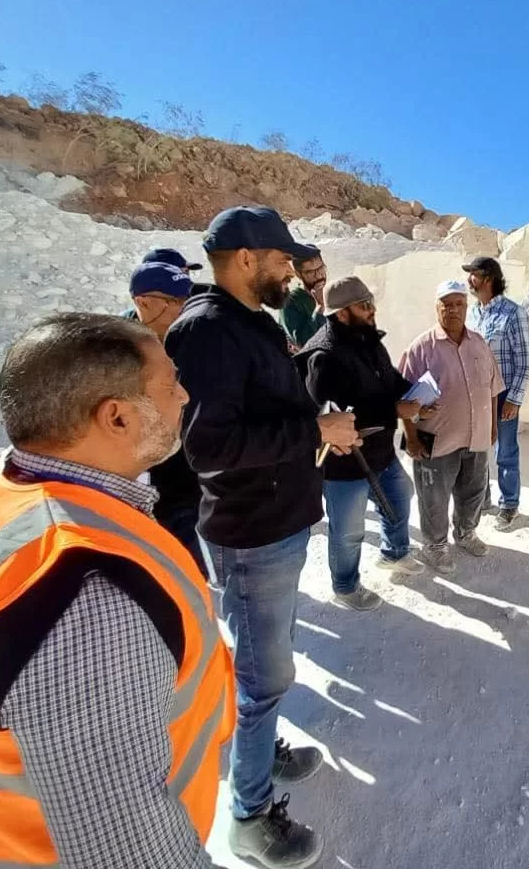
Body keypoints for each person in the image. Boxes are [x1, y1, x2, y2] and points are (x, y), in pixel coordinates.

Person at [0, 313, 236, 869]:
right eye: (170, 382)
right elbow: (129, 854)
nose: (184, 395)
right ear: (117, 416)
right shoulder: (85, 594)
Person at [166, 206, 359, 869]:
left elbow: (264, 410)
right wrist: (314, 432)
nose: (291, 273)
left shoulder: (248, 321)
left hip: (275, 525)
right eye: (282, 261)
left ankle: (260, 748)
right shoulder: (207, 331)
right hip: (251, 536)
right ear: (246, 259)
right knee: (263, 676)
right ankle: (249, 818)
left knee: (262, 665)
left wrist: (316, 424)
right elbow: (208, 447)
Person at [297, 276, 429, 612]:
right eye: (364, 305)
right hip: (344, 464)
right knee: (348, 531)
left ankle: (394, 554)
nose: (372, 311)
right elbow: (332, 416)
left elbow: (390, 378)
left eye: (371, 303)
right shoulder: (323, 357)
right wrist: (395, 410)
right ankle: (345, 586)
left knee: (399, 498)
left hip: (381, 452)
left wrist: (415, 395)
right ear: (341, 313)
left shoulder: (367, 339)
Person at [400, 280, 504, 573]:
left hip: (477, 435)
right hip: (437, 440)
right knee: (434, 497)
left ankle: (465, 533)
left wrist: (493, 426)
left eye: (459, 304)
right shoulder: (420, 349)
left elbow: (493, 388)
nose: (453, 310)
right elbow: (403, 401)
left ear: (466, 307)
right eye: (447, 305)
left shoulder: (479, 344)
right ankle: (434, 545)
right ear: (437, 308)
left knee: (474, 491)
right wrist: (411, 439)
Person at [127, 262, 206, 572]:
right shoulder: (118, 353)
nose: (183, 307)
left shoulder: (193, 339)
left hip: (192, 476)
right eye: (173, 300)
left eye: (186, 298)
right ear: (142, 302)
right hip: (145, 482)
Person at [464, 255, 529, 530]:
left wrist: (514, 399)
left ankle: (509, 504)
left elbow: (524, 361)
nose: (469, 280)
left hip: (503, 395)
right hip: (477, 395)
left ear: (488, 278)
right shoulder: (472, 313)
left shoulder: (513, 313)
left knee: (505, 451)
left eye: (473, 274)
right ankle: (484, 498)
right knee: (479, 449)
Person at [280, 246, 327, 349]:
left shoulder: (333, 292)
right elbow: (302, 343)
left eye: (320, 268)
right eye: (310, 272)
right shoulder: (290, 302)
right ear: (298, 274)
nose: (318, 275)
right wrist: (320, 308)